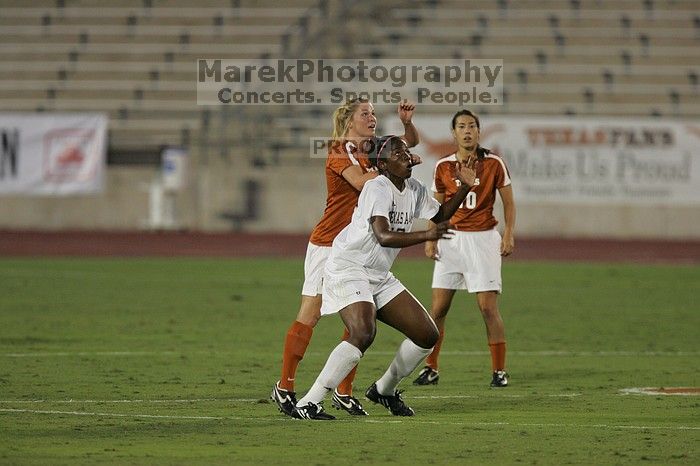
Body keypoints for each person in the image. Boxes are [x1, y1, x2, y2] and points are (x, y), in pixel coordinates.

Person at [289, 135, 478, 420]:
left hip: (376, 274)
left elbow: (440, 216)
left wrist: (464, 187)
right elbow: (383, 235)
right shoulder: (377, 187)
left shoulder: (413, 188)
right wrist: (427, 235)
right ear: (382, 163)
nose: (406, 156)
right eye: (398, 152)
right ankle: (310, 401)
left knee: (427, 335)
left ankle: (384, 390)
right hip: (348, 266)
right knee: (363, 332)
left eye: (406, 151)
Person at [271, 98, 420, 417]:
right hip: (328, 245)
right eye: (365, 113)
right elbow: (360, 181)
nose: (373, 118)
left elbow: (408, 144)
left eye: (374, 113)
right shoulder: (341, 149)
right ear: (349, 120)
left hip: (358, 249)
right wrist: (395, 166)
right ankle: (284, 387)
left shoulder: (371, 148)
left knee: (359, 317)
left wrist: (405, 130)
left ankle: (343, 389)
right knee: (310, 314)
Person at [412, 109, 516, 388]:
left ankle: (499, 371)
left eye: (472, 126)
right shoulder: (443, 166)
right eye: (461, 126)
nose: (467, 130)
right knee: (438, 308)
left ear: (479, 131)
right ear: (454, 133)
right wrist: (432, 238)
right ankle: (431, 367)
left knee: (487, 308)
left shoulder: (494, 163)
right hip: (451, 240)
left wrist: (508, 234)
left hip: (483, 239)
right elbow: (437, 207)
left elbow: (508, 203)